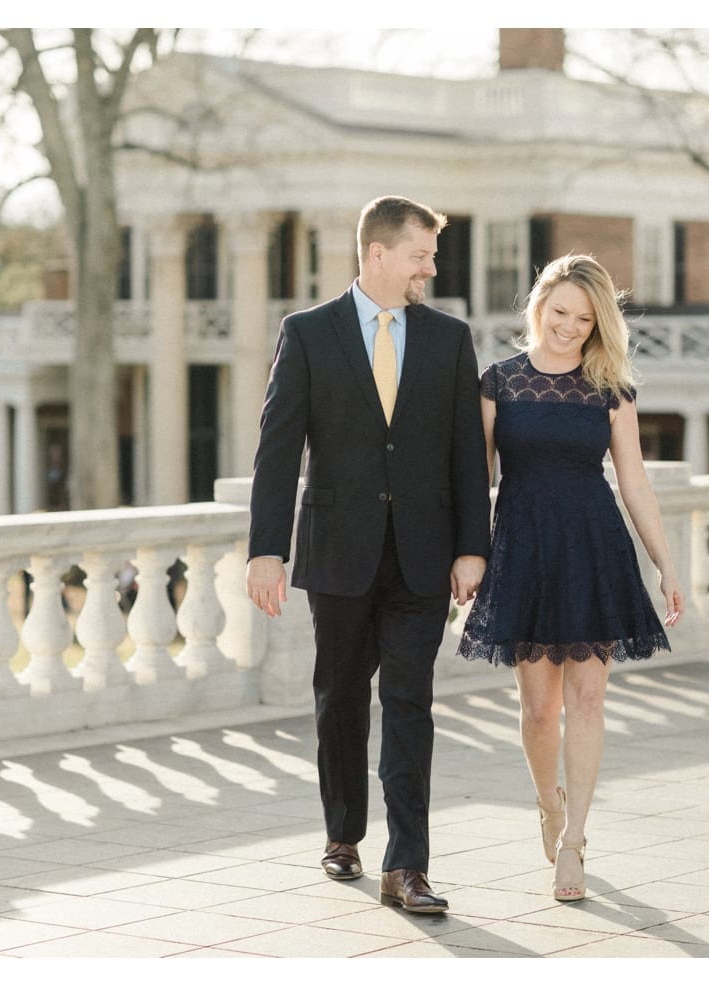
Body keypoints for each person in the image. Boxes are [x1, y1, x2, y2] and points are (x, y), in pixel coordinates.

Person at [246, 195, 491, 914]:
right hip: (339, 550)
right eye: (422, 255)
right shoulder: (309, 334)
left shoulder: (450, 339)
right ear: (378, 254)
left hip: (423, 555)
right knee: (341, 699)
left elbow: (465, 455)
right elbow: (277, 449)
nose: (431, 268)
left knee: (410, 702)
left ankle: (406, 866)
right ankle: (344, 831)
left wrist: (473, 546)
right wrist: (267, 550)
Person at [457, 253, 684, 903]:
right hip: (524, 549)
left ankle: (575, 842)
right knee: (538, 710)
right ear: (538, 306)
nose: (568, 327)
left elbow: (634, 482)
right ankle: (547, 803)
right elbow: (479, 482)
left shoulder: (610, 388)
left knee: (587, 700)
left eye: (584, 319)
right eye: (559, 312)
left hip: (592, 547)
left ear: (598, 323)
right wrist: (469, 555)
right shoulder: (497, 383)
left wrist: (666, 565)